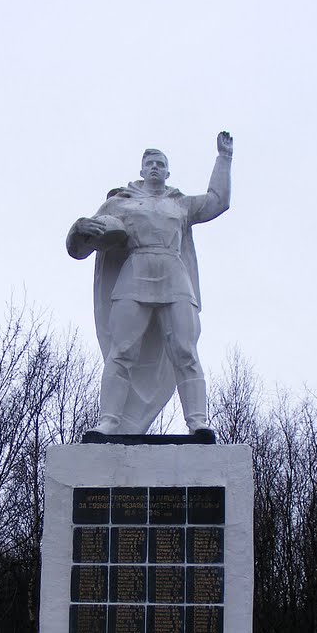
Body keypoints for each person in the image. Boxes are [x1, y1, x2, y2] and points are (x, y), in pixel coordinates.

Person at [66, 132, 233, 435]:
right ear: (141, 170)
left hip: (174, 276)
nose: (155, 167)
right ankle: (108, 423)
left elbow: (217, 202)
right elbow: (80, 247)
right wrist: (78, 229)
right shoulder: (120, 204)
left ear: (168, 172)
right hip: (134, 273)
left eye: (160, 163)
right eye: (150, 163)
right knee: (123, 350)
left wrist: (225, 158)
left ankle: (198, 422)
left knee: (185, 349)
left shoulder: (180, 204)